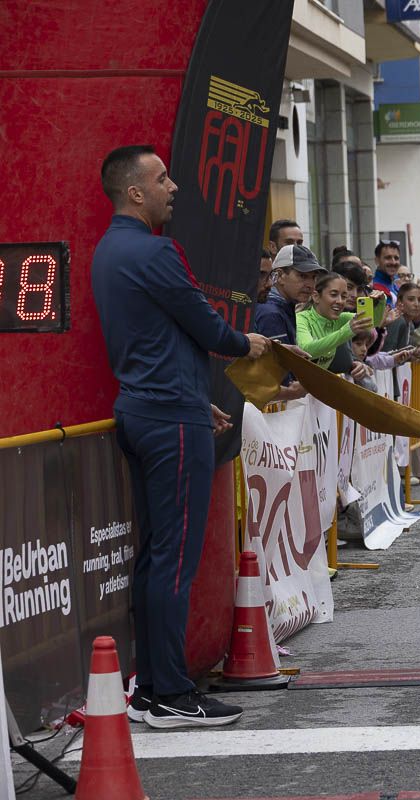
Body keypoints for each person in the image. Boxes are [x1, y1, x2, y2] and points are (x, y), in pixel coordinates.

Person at [93, 144, 271, 728]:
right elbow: (209, 329)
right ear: (135, 193)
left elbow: (156, 342)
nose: (174, 187)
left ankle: (150, 688)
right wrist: (251, 344)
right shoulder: (155, 252)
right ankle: (169, 692)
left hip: (146, 412)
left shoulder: (106, 252)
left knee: (154, 558)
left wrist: (198, 402)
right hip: (170, 420)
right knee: (173, 560)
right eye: (163, 179)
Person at [253, 244, 321, 401]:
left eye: (313, 277)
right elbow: (278, 377)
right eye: (303, 276)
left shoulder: (283, 307)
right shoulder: (271, 312)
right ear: (280, 275)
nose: (310, 284)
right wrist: (293, 392)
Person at [296, 271, 384, 370]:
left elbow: (371, 323)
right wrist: (347, 331)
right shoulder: (301, 318)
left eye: (344, 296)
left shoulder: (340, 318)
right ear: (316, 296)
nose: (340, 301)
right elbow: (307, 350)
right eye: (333, 295)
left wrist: (381, 302)